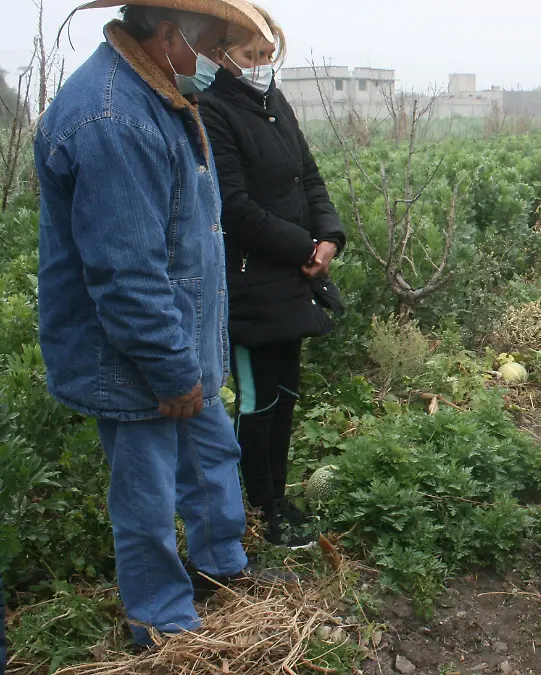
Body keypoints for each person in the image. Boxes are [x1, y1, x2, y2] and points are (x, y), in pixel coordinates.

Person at [36, 1, 283, 645]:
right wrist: (172, 368)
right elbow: (127, 273)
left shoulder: (160, 93)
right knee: (145, 492)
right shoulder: (112, 118)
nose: (219, 60)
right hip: (132, 352)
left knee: (210, 455)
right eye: (214, 44)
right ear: (171, 32)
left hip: (176, 336)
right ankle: (162, 620)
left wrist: (190, 356)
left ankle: (222, 568)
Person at [200, 4, 345, 548]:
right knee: (256, 400)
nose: (261, 63)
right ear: (222, 56)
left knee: (284, 392)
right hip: (247, 283)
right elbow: (234, 206)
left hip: (291, 278)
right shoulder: (214, 110)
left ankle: (275, 500)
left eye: (267, 54)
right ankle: (256, 512)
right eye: (249, 54)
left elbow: (309, 177)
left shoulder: (274, 102)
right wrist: (302, 246)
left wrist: (328, 238)